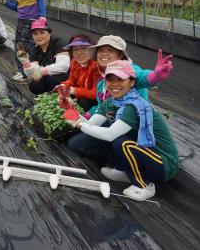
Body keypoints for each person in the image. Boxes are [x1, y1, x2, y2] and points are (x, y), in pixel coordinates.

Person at [65, 60, 178, 201]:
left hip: (162, 163)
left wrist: (78, 123)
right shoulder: (110, 103)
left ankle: (144, 185)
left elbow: (109, 135)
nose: (114, 84)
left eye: (120, 79)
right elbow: (91, 125)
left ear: (131, 82)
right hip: (145, 154)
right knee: (105, 131)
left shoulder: (134, 106)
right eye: (110, 80)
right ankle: (121, 170)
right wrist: (71, 111)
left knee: (121, 142)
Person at [67, 35, 173, 162]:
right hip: (112, 119)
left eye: (110, 50)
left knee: (108, 139)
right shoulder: (102, 80)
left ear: (120, 55)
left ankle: (125, 161)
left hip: (130, 126)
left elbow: (142, 76)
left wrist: (155, 76)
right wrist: (84, 116)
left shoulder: (129, 69)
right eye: (101, 50)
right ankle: (115, 159)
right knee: (75, 142)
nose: (104, 54)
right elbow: (101, 105)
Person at [0, 0, 47, 82]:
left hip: (33, 20)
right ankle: (25, 71)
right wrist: (5, 2)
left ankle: (25, 73)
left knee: (28, 47)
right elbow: (17, 7)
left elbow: (40, 0)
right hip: (21, 20)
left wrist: (42, 17)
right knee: (19, 46)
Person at [16, 18, 69, 94]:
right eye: (35, 34)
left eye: (42, 32)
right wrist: (25, 62)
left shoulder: (58, 44)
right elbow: (31, 74)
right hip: (49, 78)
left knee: (50, 79)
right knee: (34, 85)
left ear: (49, 33)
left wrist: (42, 71)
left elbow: (64, 66)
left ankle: (63, 96)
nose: (39, 36)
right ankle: (47, 99)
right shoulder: (36, 50)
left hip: (68, 78)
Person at [56, 34, 100, 111]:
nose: (79, 53)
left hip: (97, 101)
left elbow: (96, 94)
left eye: (83, 48)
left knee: (83, 102)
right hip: (82, 93)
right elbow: (72, 80)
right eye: (75, 50)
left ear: (92, 50)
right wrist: (64, 86)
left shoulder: (96, 66)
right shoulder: (74, 62)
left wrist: (74, 90)